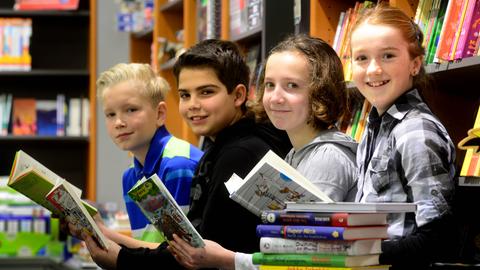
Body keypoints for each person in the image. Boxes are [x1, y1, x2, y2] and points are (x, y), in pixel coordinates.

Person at [79, 40, 292, 270]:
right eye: (185, 95)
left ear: (238, 95)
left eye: (206, 92)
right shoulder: (222, 147)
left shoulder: (239, 154)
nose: (193, 105)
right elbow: (187, 247)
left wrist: (120, 259)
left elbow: (195, 256)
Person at [168, 34, 359, 269]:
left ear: (321, 92)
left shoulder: (326, 157)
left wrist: (225, 259)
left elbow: (306, 261)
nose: (276, 97)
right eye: (270, 85)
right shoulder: (296, 153)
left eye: (292, 86)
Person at [350, 4, 457, 269]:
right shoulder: (374, 126)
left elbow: (436, 239)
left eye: (387, 56)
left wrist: (352, 252)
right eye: (361, 58)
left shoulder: (415, 131)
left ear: (414, 63)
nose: (373, 69)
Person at [93, 63, 202, 248]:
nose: (118, 122)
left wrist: (105, 233)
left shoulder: (178, 165)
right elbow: (147, 248)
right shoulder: (130, 176)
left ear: (159, 114)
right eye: (110, 114)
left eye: (131, 110)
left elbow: (180, 252)